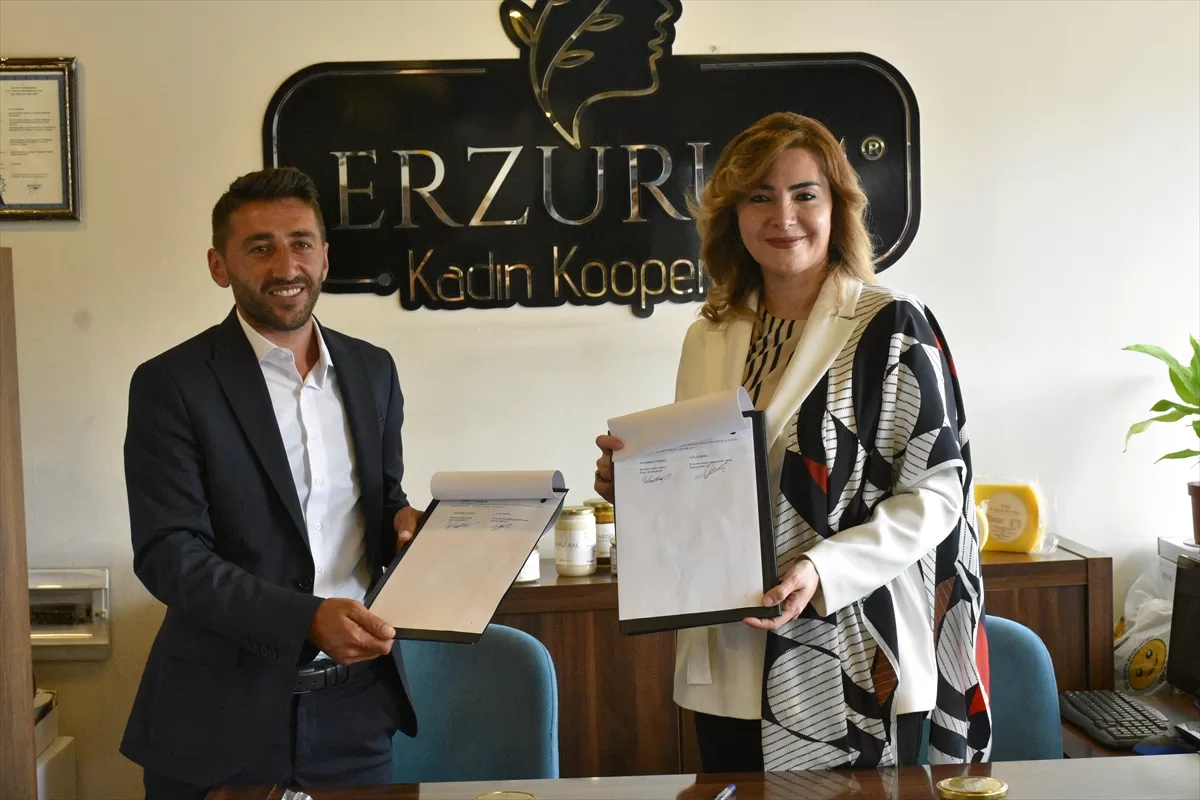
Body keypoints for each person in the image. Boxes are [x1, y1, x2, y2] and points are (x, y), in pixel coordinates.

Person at [593, 112, 992, 771]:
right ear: (734, 215)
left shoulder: (891, 325)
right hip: (731, 659)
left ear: (837, 208)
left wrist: (822, 569)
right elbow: (704, 485)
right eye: (760, 196)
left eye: (805, 194)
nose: (783, 216)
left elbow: (939, 494)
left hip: (859, 654)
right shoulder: (708, 334)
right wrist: (636, 485)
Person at [121, 167, 422, 799]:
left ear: (324, 256)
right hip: (218, 720)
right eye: (260, 248)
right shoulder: (172, 384)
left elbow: (381, 503)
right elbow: (168, 552)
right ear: (219, 266)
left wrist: (406, 526)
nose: (287, 266)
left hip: (356, 713)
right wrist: (304, 619)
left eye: (301, 243)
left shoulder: (373, 370)